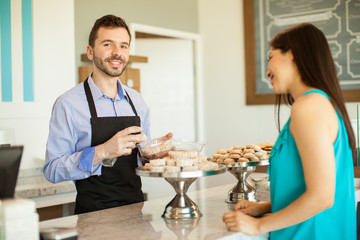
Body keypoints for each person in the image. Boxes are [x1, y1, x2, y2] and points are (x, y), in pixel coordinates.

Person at [223, 23, 356, 239]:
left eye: (271, 57)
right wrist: (265, 207)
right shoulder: (320, 103)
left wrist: (257, 226)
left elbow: (322, 197)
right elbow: (306, 184)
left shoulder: (309, 106)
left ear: (292, 55)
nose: (267, 72)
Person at [44, 14, 172, 214]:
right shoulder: (68, 104)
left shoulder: (138, 102)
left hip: (136, 211)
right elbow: (52, 169)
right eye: (107, 44)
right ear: (90, 51)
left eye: (123, 46)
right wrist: (103, 151)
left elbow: (137, 159)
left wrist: (152, 155)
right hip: (92, 216)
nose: (116, 53)